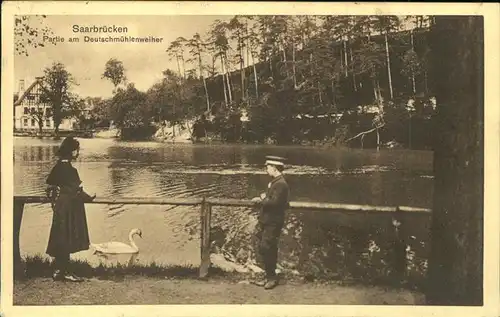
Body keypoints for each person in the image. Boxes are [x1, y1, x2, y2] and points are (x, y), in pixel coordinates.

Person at [45, 137, 95, 282]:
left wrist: (55, 198)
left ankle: (58, 271)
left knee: (61, 236)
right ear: (72, 151)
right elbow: (77, 191)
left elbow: (50, 185)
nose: (78, 153)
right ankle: (65, 272)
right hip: (69, 208)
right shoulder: (71, 170)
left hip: (59, 206)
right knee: (68, 237)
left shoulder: (58, 166)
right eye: (77, 150)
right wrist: (90, 197)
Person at [251, 155, 290, 290]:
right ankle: (268, 275)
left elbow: (274, 203)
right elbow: (271, 198)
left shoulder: (280, 184)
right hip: (267, 221)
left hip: (273, 222)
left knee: (268, 248)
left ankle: (271, 278)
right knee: (264, 248)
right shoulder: (275, 181)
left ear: (274, 168)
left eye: (268, 167)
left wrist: (262, 198)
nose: (266, 169)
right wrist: (263, 197)